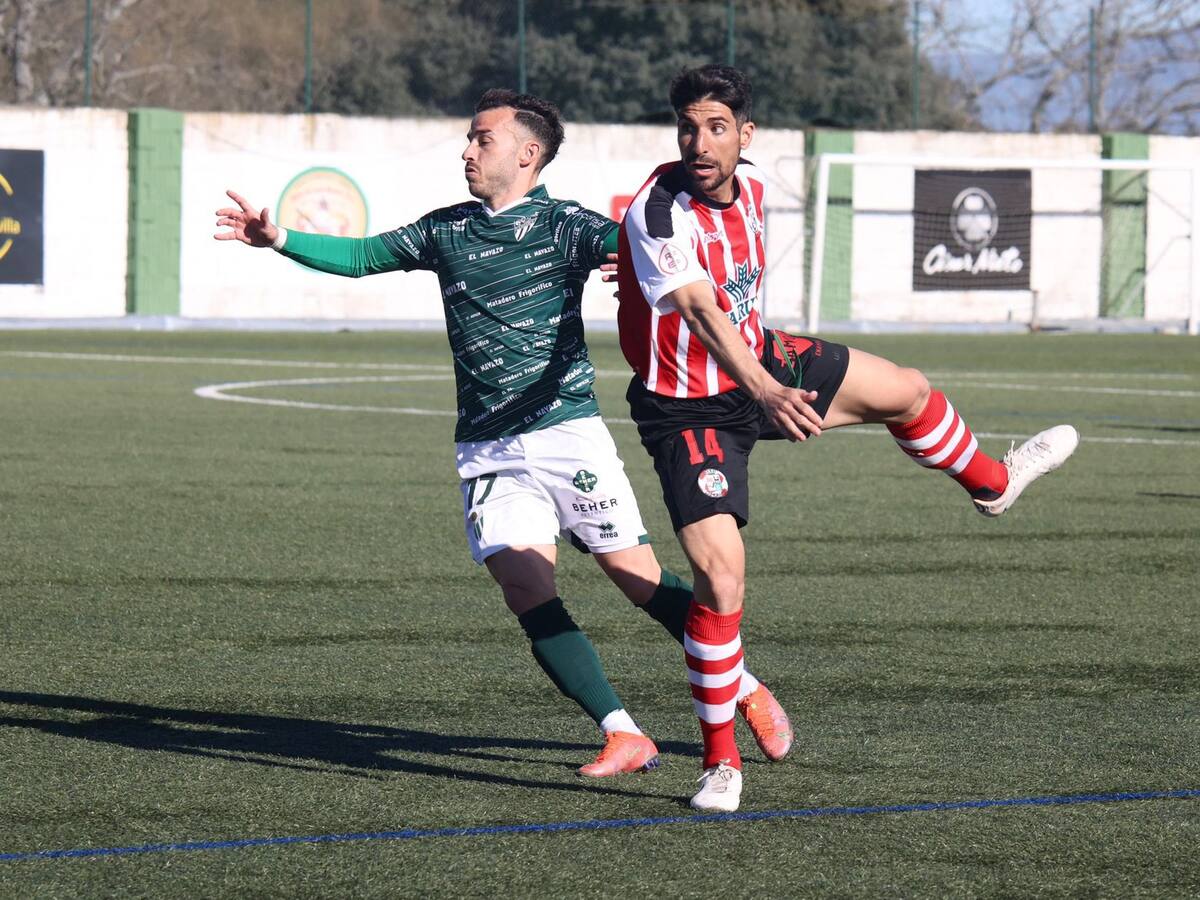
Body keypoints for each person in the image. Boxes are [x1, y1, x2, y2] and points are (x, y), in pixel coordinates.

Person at [214, 88, 793, 778]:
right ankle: (621, 731)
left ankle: (746, 686)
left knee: (633, 577)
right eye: (468, 138)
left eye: (480, 139)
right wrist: (275, 237)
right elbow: (364, 255)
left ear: (527, 153)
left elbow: (656, 250)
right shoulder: (446, 230)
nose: (466, 150)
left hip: (566, 433)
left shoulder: (567, 226)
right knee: (524, 588)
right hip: (487, 444)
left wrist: (635, 268)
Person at [617, 65, 1079, 810]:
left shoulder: (758, 188)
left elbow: (714, 292)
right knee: (723, 579)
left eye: (715, 127)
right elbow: (700, 311)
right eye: (687, 127)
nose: (699, 143)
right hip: (690, 409)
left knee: (909, 390)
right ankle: (720, 765)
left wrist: (763, 372)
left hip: (763, 359)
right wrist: (763, 389)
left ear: (745, 133)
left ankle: (993, 484)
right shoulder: (659, 207)